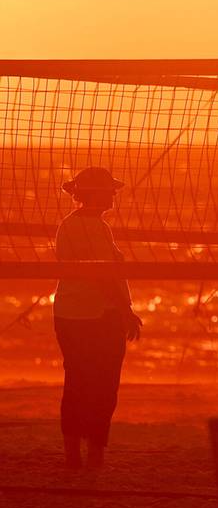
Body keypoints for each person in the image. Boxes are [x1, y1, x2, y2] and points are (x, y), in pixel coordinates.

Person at [53, 167, 142, 470]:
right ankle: (87, 454)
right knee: (96, 384)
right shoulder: (85, 226)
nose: (114, 195)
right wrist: (126, 311)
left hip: (77, 314)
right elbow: (100, 276)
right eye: (109, 190)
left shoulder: (85, 225)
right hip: (90, 316)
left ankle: (81, 453)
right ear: (95, 194)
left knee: (85, 382)